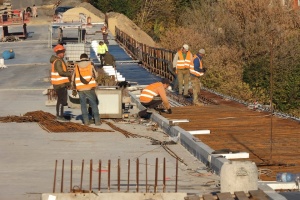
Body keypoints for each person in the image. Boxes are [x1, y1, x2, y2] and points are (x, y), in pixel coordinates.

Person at [72, 53, 101, 126]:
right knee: (93, 103)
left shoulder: (76, 66)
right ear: (87, 58)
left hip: (80, 88)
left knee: (83, 105)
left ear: (80, 58)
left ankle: (86, 121)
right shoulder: (91, 64)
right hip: (90, 87)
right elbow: (96, 75)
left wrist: (74, 88)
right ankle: (97, 121)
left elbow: (73, 78)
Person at [50, 44, 71, 121]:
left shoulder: (58, 61)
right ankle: (59, 116)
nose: (64, 53)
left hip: (60, 84)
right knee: (61, 100)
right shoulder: (58, 61)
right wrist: (70, 74)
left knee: (60, 100)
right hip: (59, 84)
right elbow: (61, 73)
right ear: (59, 53)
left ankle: (59, 114)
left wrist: (68, 83)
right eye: (63, 52)